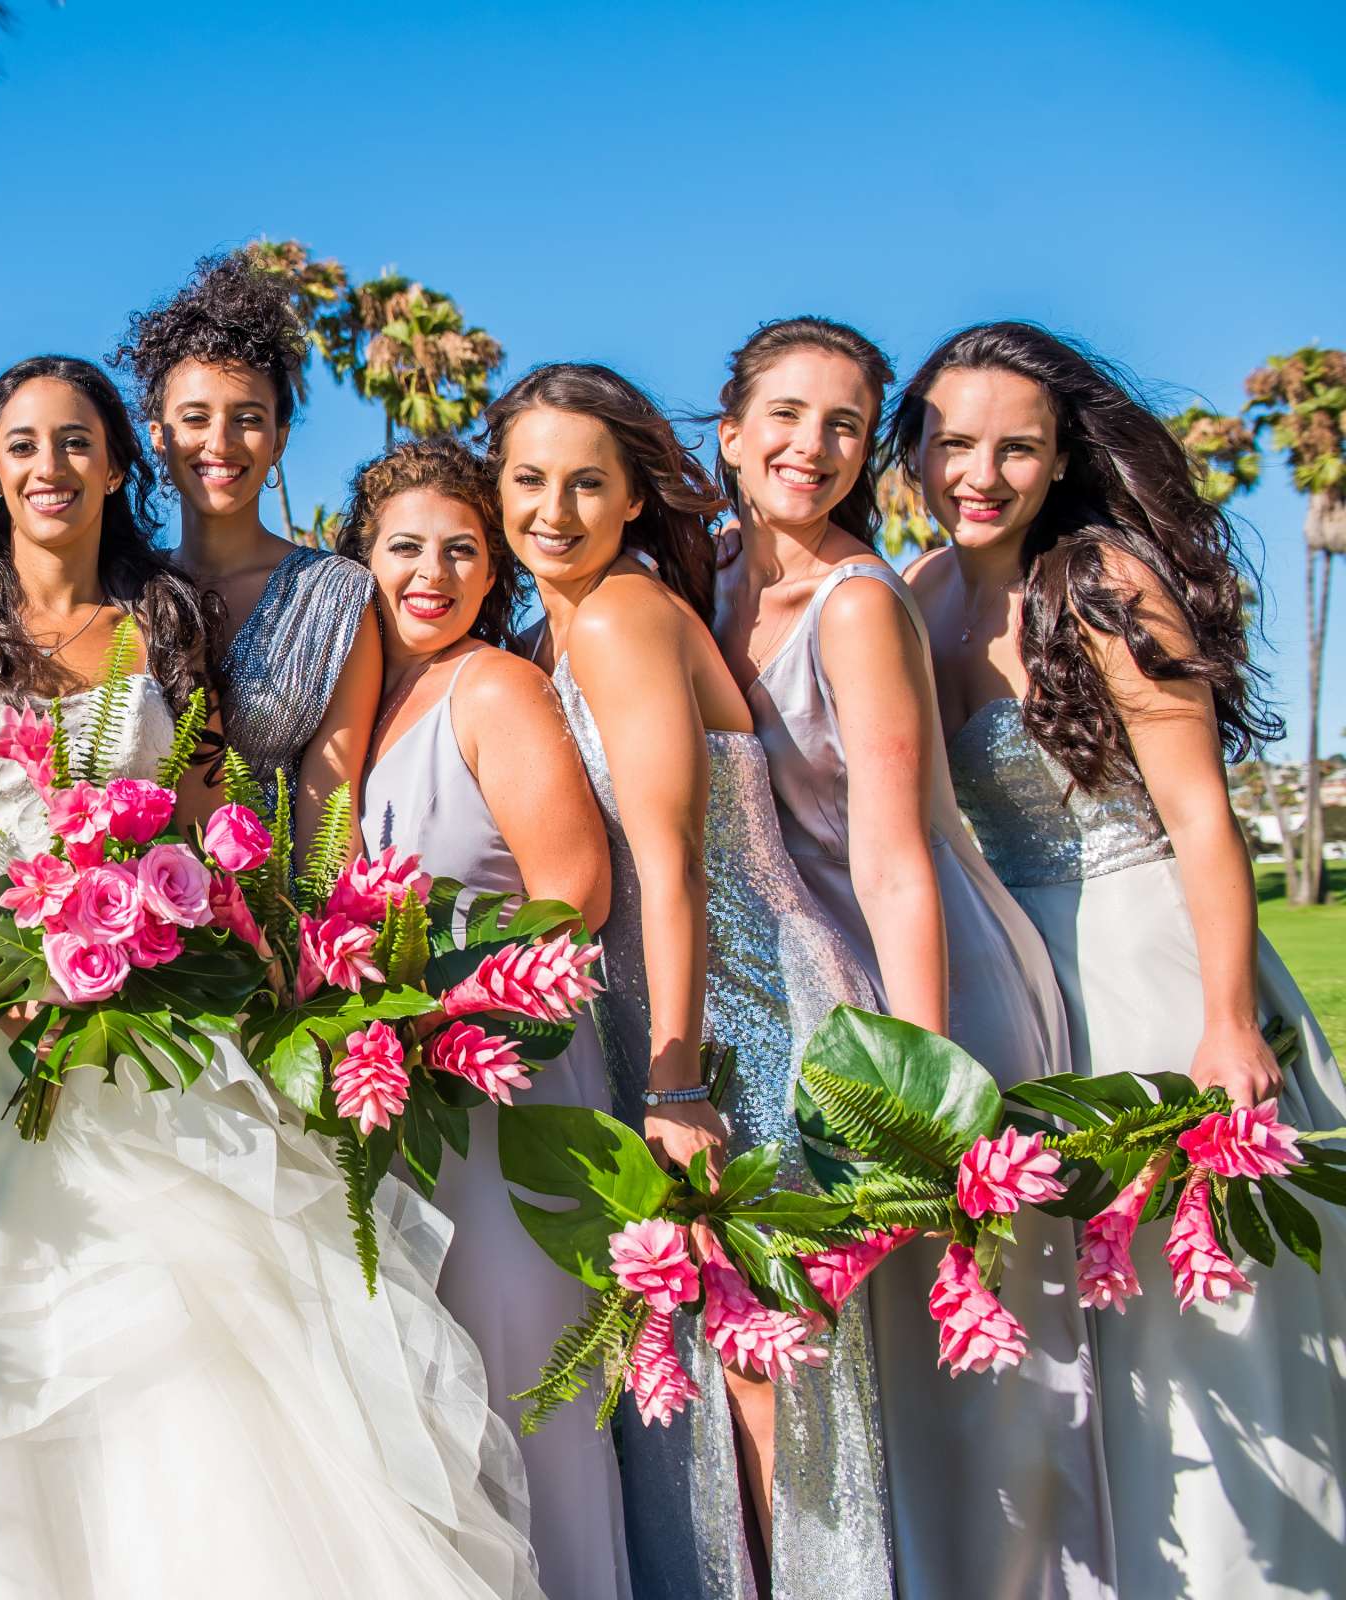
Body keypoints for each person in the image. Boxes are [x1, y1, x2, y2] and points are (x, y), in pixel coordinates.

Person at [0, 355, 541, 1599]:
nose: (48, 469)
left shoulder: (165, 623)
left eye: (75, 443)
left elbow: (216, 831)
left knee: (190, 1361)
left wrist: (208, 948)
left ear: (121, 463)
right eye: (21, 446)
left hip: (153, 1050)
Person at [899, 320, 1346, 1600]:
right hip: (1021, 984)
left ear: (1058, 460)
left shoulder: (1097, 582)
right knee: (1067, 1321)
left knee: (1183, 1314)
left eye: (1015, 449)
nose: (978, 472)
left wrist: (1226, 1020)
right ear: (914, 445)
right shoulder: (921, 590)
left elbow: (1200, 815)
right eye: (953, 441)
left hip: (1148, 965)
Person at [710, 317, 1112, 1596]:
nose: (811, 446)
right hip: (808, 976)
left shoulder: (860, 602)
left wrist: (922, 1095)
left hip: (923, 977)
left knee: (974, 1367)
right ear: (732, 432)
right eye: (787, 414)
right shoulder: (712, 573)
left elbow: (893, 858)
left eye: (842, 423)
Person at [495, 360, 893, 1599]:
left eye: (585, 483)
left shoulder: (619, 615)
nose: (551, 509)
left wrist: (675, 1081)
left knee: (762, 1368)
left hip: (739, 1017)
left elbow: (668, 866)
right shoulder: (543, 632)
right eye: (526, 480)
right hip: (652, 1013)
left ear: (632, 499)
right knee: (701, 1374)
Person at [336, 437, 626, 1596]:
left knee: (526, 1388)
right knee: (444, 1406)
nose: (434, 573)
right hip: (411, 1092)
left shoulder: (494, 685)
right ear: (365, 560)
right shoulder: (370, 699)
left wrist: (442, 1019)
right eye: (407, 547)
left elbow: (575, 889)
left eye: (464, 551)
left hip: (510, 1085)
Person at [111, 253, 381, 813]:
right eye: (194, 418)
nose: (221, 441)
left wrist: (301, 904)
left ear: (279, 441)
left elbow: (331, 800)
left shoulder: (338, 597)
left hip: (278, 893)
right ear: (158, 435)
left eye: (249, 418)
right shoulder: (119, 585)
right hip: (124, 889)